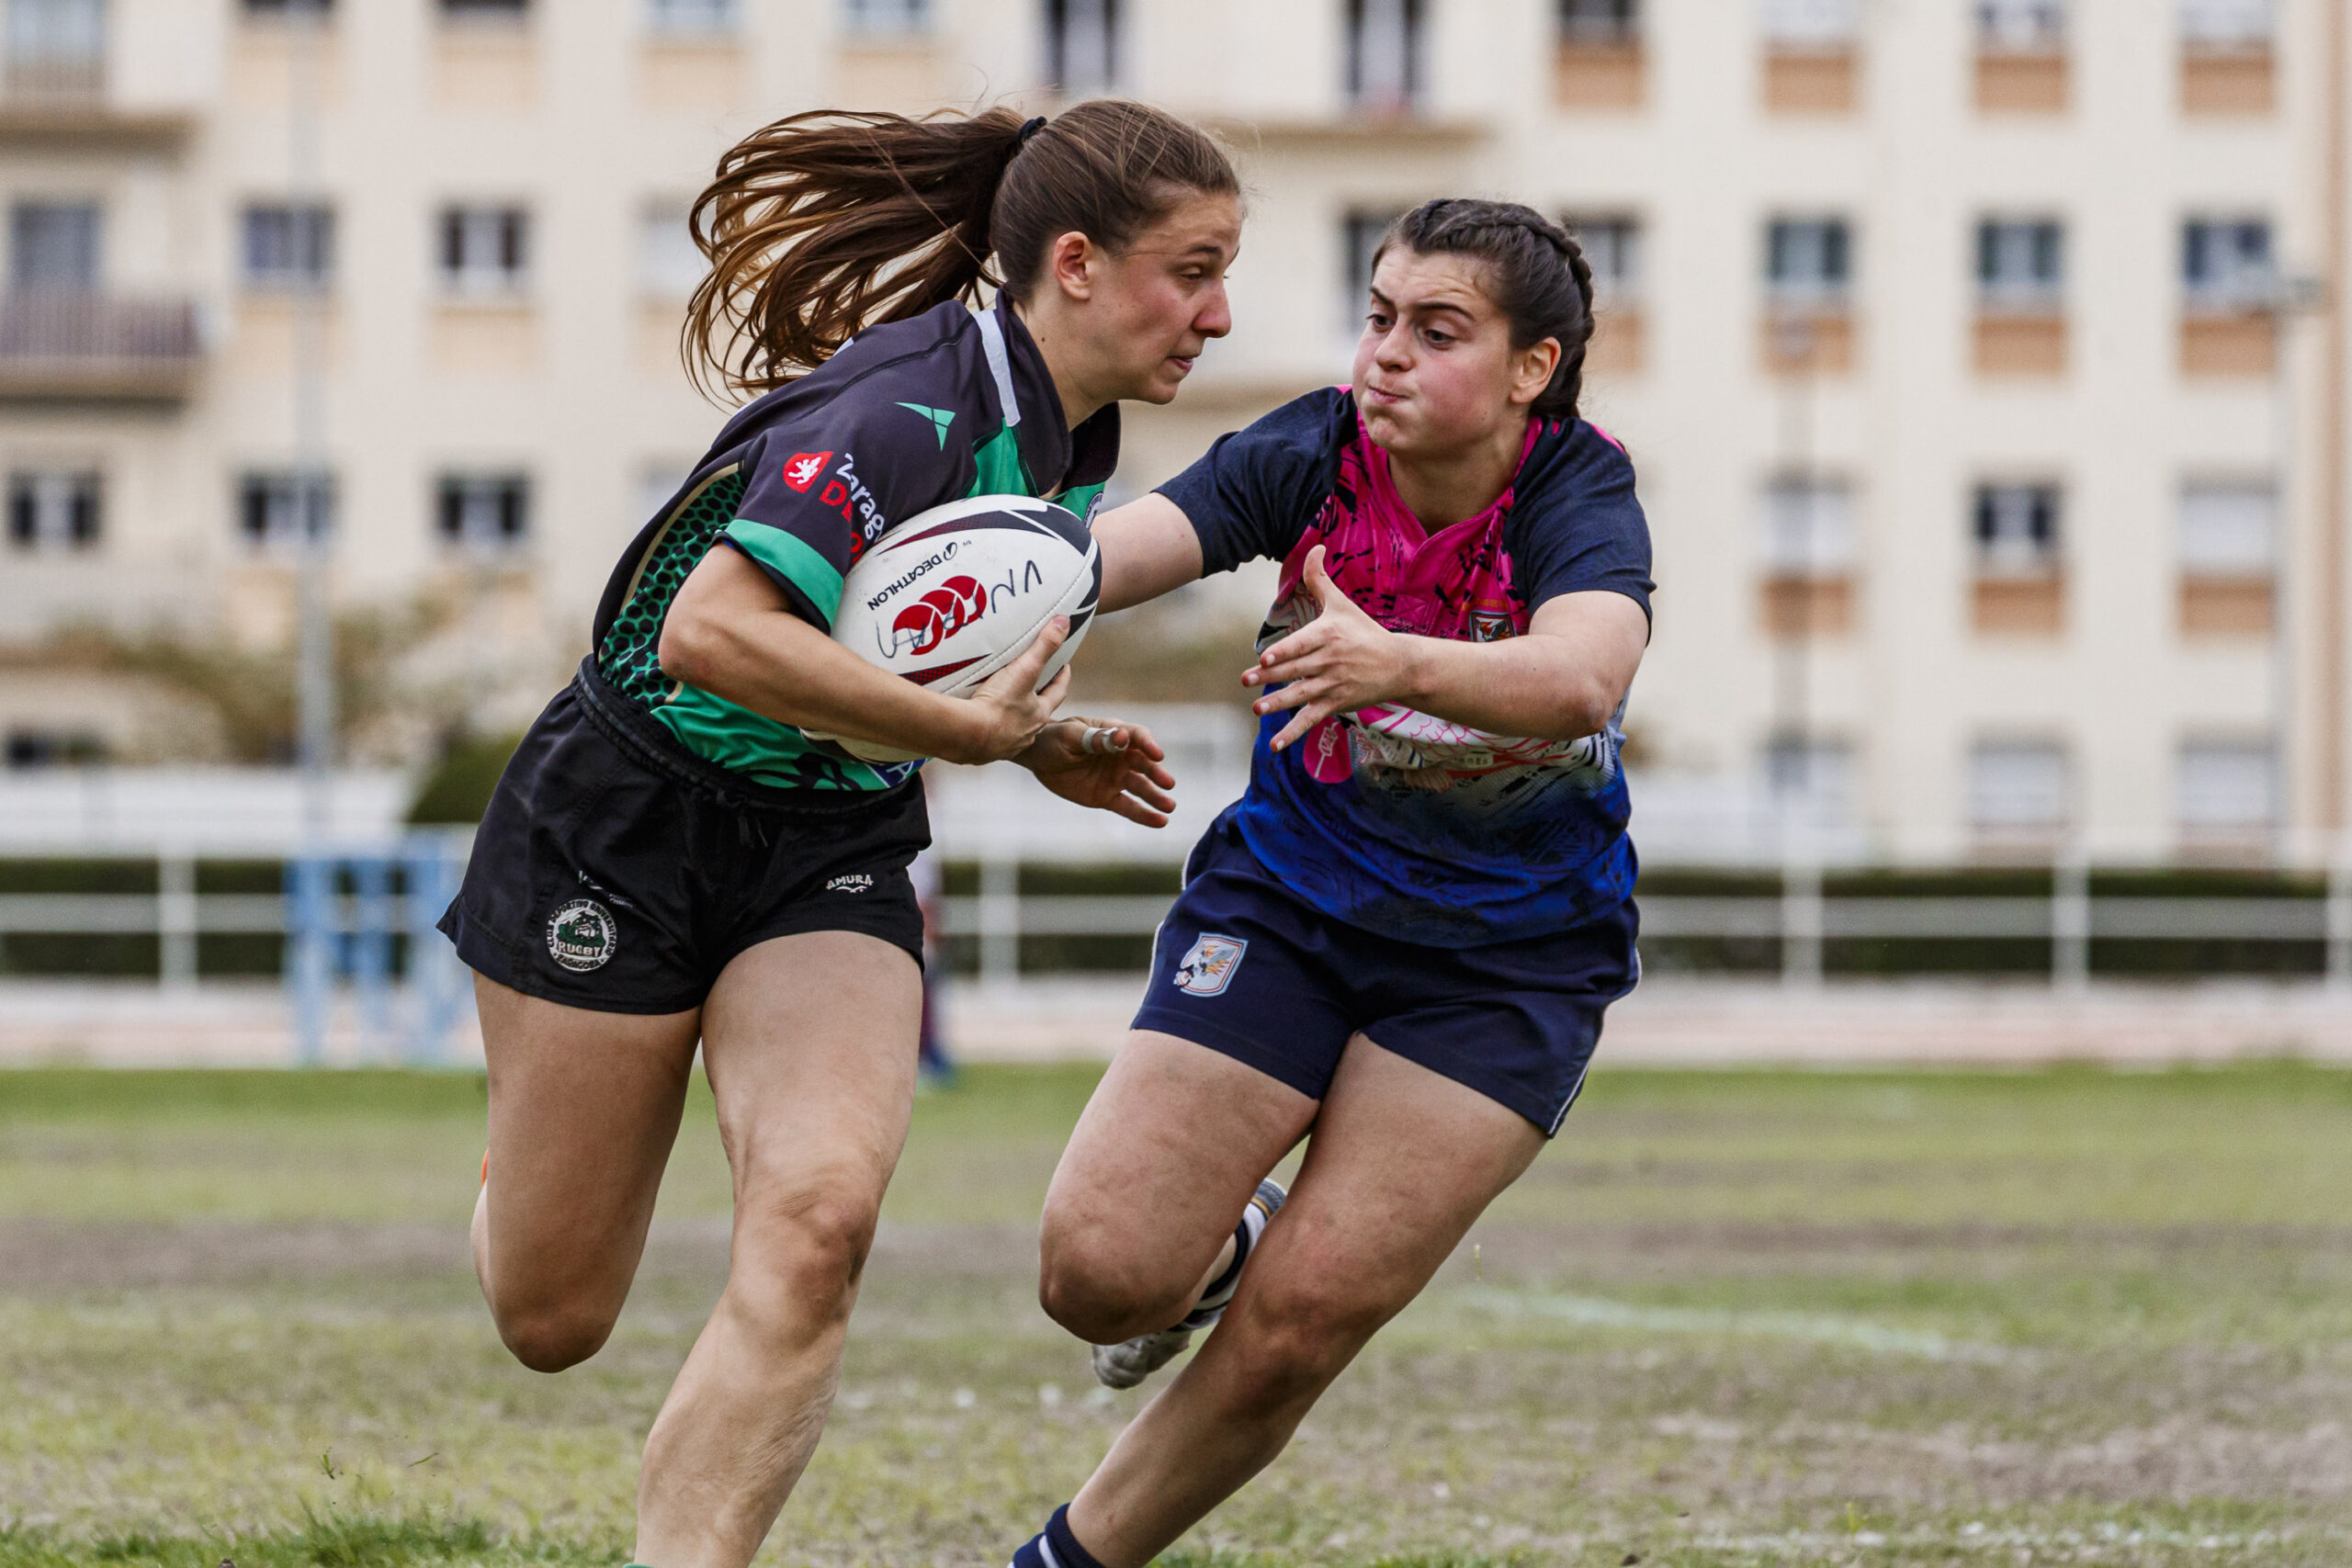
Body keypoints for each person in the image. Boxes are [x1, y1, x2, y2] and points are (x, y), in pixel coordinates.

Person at [435, 99, 1239, 1568]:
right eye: (1193, 271)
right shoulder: (904, 404)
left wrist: (1034, 738)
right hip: (625, 814)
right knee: (553, 1318)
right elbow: (709, 632)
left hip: (829, 843)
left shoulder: (1082, 433)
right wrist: (974, 736)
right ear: (1075, 262)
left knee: (818, 1228)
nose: (1222, 314)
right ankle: (525, 1158)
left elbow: (908, 673)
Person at [1005, 199, 1655, 1568]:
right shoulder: (1316, 449)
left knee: (1303, 1325)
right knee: (1100, 1276)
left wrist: (1398, 661)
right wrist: (999, 582)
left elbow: (1585, 675)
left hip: (1509, 963)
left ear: (1533, 370)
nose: (1387, 356)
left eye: (1437, 330)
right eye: (1378, 317)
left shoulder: (1575, 488)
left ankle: (1065, 1561)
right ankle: (1230, 1246)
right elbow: (1139, 545)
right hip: (1293, 904)